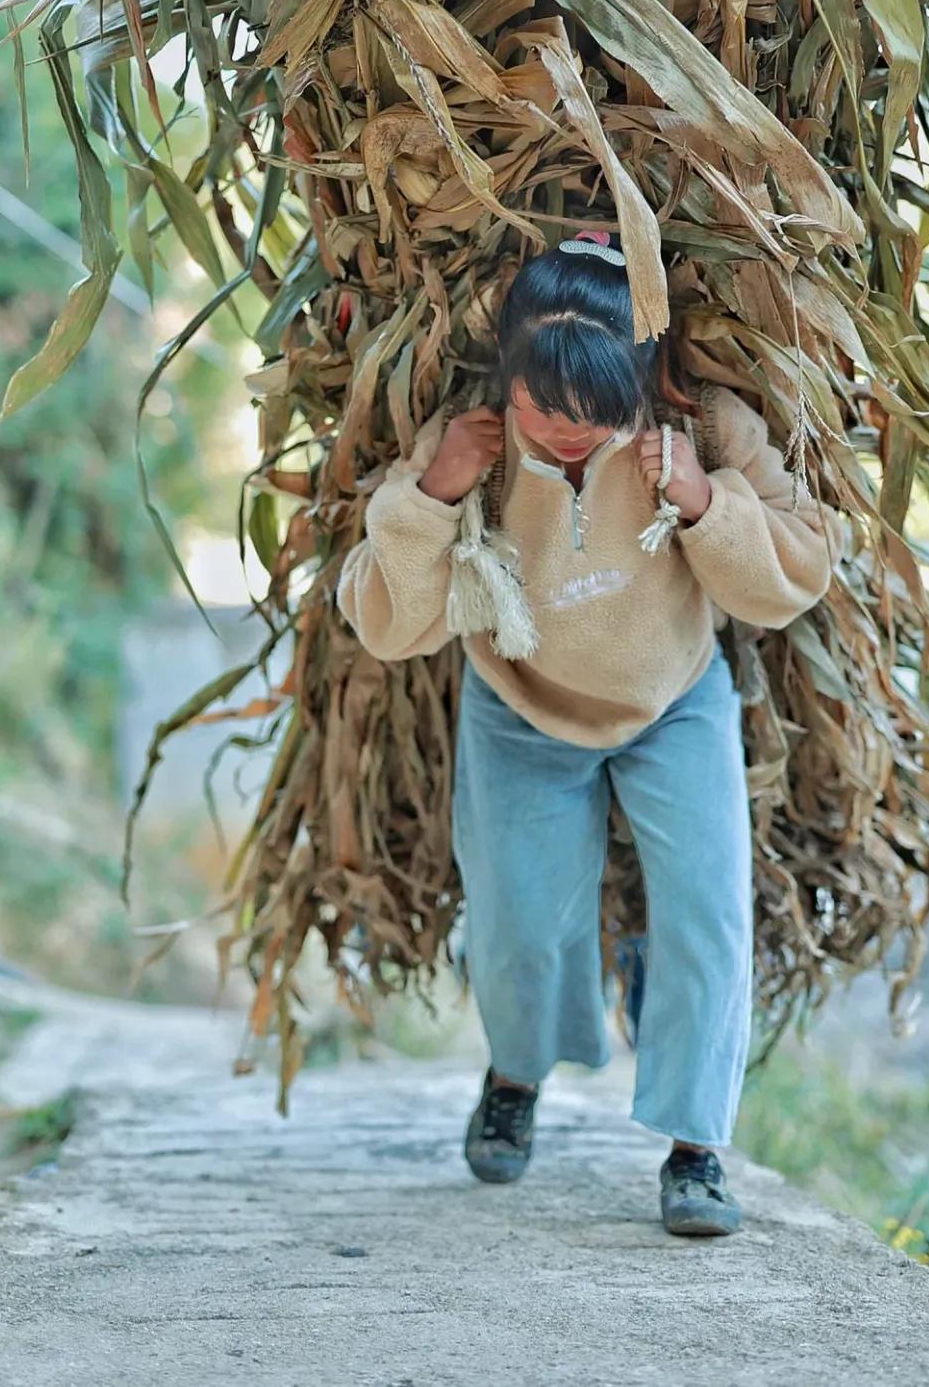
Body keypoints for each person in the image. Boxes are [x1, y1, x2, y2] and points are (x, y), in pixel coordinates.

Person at [336, 231, 839, 1237]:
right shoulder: (464, 443)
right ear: (508, 370)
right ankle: (516, 1073)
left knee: (706, 916)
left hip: (673, 707)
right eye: (540, 405)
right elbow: (391, 627)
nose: (566, 432)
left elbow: (795, 578)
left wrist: (702, 501)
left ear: (642, 370)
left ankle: (697, 1150)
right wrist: (430, 496)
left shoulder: (703, 425)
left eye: (594, 408)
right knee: (520, 919)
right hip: (521, 710)